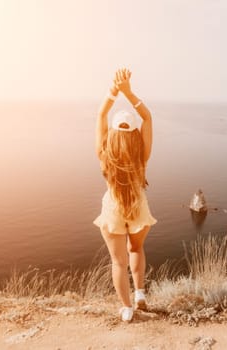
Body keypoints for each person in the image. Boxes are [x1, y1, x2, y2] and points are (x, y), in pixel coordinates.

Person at [93, 68, 157, 322]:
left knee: (118, 262)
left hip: (113, 208)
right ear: (134, 135)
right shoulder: (141, 154)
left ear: (113, 135)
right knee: (136, 249)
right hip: (138, 206)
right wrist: (129, 93)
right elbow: (147, 118)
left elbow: (100, 114)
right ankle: (140, 293)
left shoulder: (104, 154)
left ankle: (127, 308)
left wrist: (113, 92)